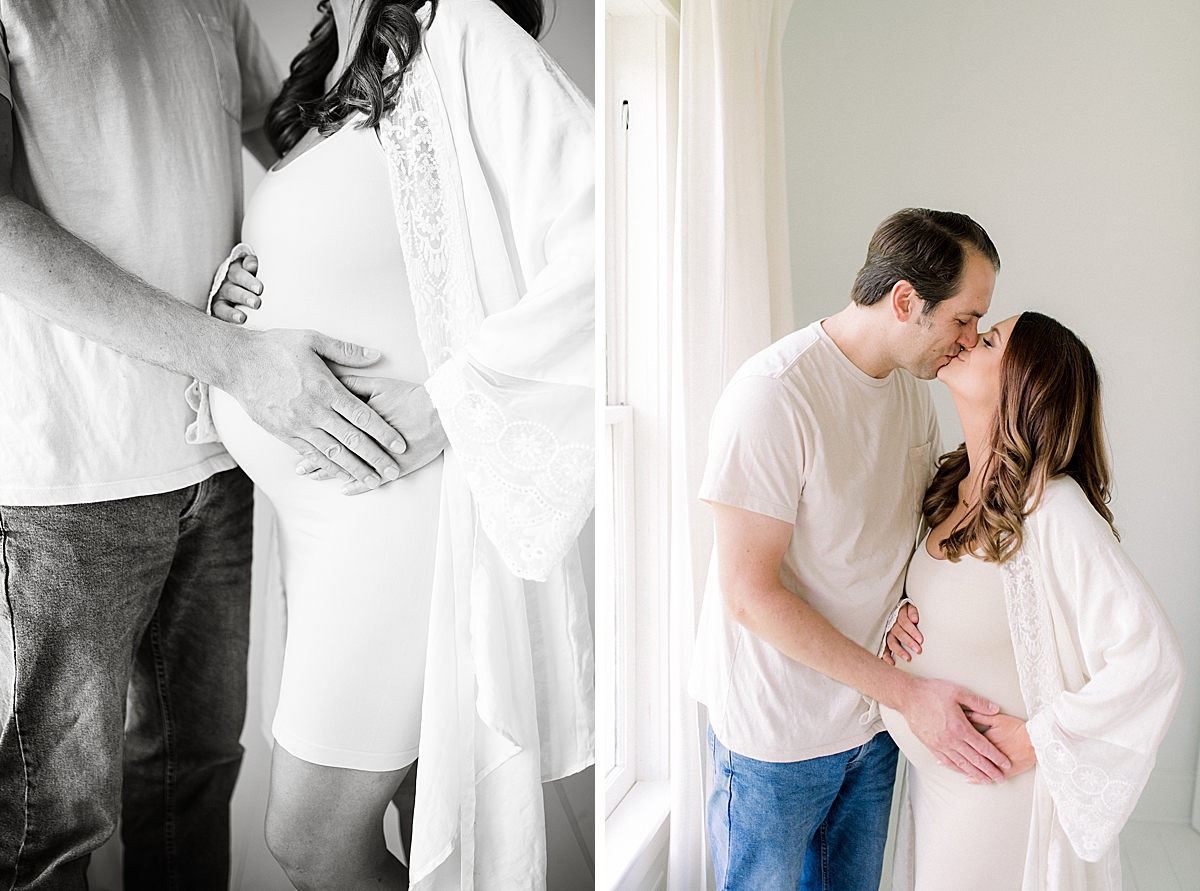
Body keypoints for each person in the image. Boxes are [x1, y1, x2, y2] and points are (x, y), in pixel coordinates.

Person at [0, 4, 429, 890]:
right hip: (68, 476)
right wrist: (236, 354)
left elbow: (313, 153)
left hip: (216, 464)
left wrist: (278, 263)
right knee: (52, 836)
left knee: (193, 782)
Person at [195, 0, 594, 888]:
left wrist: (452, 403)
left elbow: (608, 234)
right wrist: (241, 294)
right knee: (424, 829)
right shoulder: (329, 66)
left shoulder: (461, 29)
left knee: (309, 838)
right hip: (319, 522)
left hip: (395, 510)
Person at [688, 208, 1018, 891]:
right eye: (964, 318)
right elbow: (751, 596)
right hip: (775, 740)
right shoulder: (773, 397)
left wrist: (906, 601)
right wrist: (909, 692)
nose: (970, 339)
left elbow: (899, 530)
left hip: (872, 731)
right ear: (906, 301)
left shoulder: (908, 390)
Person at [879, 312, 1184, 890]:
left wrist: (1036, 738)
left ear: (1022, 385)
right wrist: (898, 622)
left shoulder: (1052, 506)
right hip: (937, 789)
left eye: (988, 339)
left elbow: (1153, 657)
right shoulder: (952, 486)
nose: (967, 338)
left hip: (997, 799)